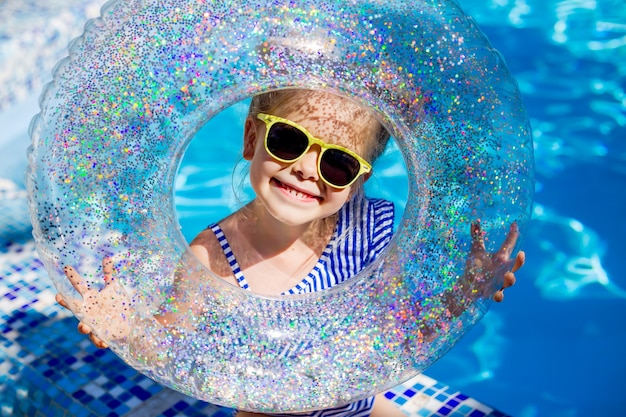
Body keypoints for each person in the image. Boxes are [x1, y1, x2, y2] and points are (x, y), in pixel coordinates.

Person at [56, 89, 525, 417]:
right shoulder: (212, 258)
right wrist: (125, 330)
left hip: (360, 404)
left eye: (337, 162)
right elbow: (173, 350)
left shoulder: (371, 226)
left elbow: (399, 331)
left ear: (356, 182)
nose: (304, 169)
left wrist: (461, 296)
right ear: (251, 138)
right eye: (288, 140)